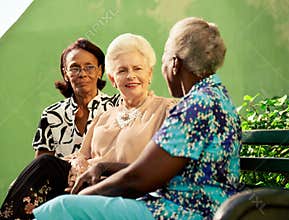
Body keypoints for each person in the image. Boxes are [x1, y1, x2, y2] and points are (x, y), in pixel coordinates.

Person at [33, 17, 242, 219]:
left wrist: (82, 197)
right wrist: (103, 167)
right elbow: (150, 171)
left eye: (162, 62)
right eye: (122, 70)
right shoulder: (214, 96)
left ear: (175, 64)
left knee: (62, 208)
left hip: (181, 211)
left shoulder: (195, 106)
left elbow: (139, 179)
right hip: (190, 204)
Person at [0, 34, 174, 219]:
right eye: (122, 70)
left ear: (149, 74)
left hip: (121, 188)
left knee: (47, 173)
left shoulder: (167, 110)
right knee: (44, 167)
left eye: (137, 68)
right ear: (113, 79)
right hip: (85, 184)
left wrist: (102, 168)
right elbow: (81, 157)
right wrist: (76, 170)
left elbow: (159, 169)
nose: (130, 75)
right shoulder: (104, 117)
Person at [32, 38, 120, 158]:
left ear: (100, 71)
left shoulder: (117, 106)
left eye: (89, 67)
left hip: (108, 176)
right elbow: (42, 166)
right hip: (63, 176)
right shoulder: (52, 115)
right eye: (74, 68)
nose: (82, 74)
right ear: (65, 74)